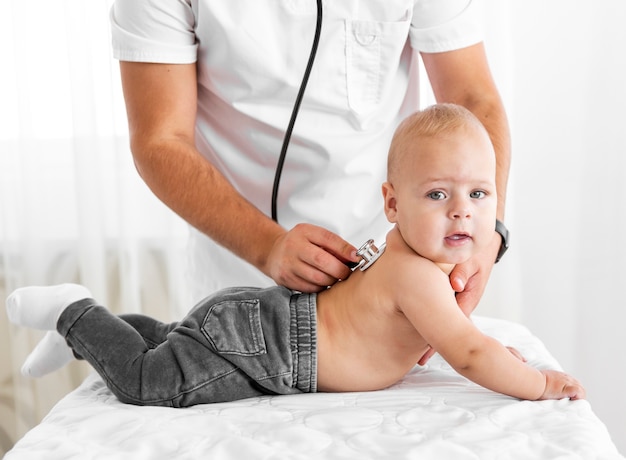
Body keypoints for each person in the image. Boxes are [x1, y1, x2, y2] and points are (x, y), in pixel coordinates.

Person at [6, 105, 583, 406]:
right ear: (392, 204)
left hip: (264, 325)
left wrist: (498, 351)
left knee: (166, 340)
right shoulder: (418, 276)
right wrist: (539, 384)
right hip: (273, 349)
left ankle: (89, 332)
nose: (463, 212)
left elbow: (463, 336)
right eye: (437, 194)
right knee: (152, 382)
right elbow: (472, 353)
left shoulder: (410, 259)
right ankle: (74, 313)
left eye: (479, 195)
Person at [110, 1, 512, 322]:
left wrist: (488, 234)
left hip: (395, 276)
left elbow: (473, 100)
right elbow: (160, 140)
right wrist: (268, 247)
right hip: (238, 278)